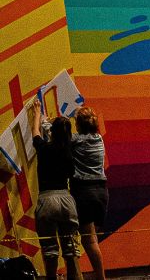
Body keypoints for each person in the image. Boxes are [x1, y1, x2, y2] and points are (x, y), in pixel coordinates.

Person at [30, 103, 82, 280]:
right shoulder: (69, 152)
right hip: (66, 199)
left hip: (47, 199)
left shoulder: (44, 148)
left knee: (50, 250)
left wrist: (37, 114)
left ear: (52, 132)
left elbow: (35, 133)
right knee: (70, 248)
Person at [71, 107, 107, 280]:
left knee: (89, 240)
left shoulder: (76, 140)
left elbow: (57, 138)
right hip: (101, 191)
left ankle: (100, 277)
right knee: (93, 238)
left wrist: (44, 123)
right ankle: (97, 275)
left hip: (84, 192)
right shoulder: (99, 138)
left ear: (78, 125)